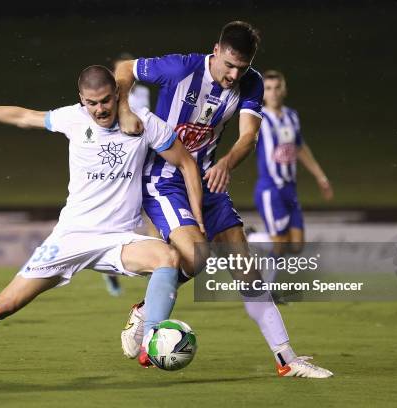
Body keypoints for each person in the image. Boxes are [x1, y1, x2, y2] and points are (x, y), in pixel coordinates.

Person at [0, 65, 204, 373]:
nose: (99, 109)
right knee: (6, 303)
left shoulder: (146, 124)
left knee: (168, 257)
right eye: (91, 102)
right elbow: (23, 116)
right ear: (81, 99)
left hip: (118, 238)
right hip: (72, 236)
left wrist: (199, 222)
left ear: (117, 94)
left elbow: (187, 164)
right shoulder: (72, 118)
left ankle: (151, 337)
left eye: (106, 100)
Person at [115, 21, 333, 377]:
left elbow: (249, 135)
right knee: (194, 255)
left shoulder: (252, 82)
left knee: (247, 271)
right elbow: (124, 69)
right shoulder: (181, 67)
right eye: (228, 65)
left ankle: (286, 359)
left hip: (207, 180)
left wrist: (227, 162)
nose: (233, 75)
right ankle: (148, 320)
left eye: (241, 68)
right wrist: (124, 107)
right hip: (163, 180)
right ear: (215, 51)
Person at [255, 69, 333, 252]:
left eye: (277, 88)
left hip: (290, 188)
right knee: (279, 246)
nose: (273, 93)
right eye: (268, 88)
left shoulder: (292, 116)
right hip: (271, 188)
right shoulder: (257, 118)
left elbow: (300, 148)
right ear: (262, 93)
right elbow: (244, 143)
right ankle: (251, 238)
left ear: (284, 90)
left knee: (297, 245)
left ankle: (255, 237)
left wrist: (321, 177)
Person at [102, 52, 152, 297]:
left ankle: (157, 268)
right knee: (110, 222)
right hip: (116, 160)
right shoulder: (105, 94)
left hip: (140, 155)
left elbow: (146, 116)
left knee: (152, 215)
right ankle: (110, 273)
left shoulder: (142, 92)